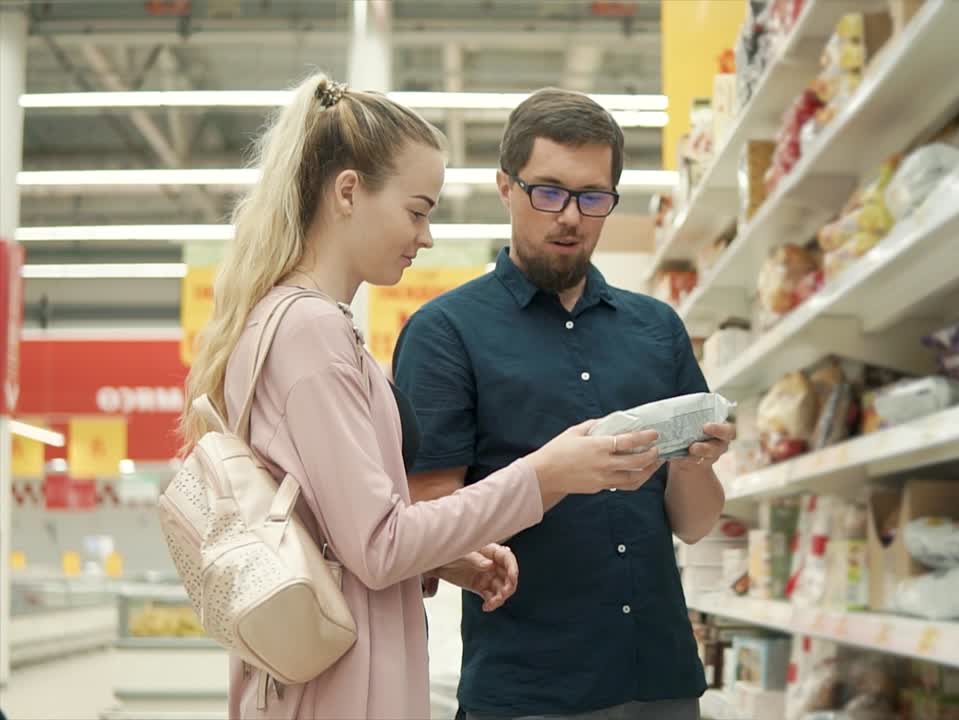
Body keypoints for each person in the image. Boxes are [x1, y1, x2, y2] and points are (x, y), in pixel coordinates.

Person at [178, 75, 663, 720]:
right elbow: (380, 545)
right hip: (344, 689)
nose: (427, 235)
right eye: (417, 210)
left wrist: (447, 557)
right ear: (348, 192)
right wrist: (545, 476)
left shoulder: (294, 322)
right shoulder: (310, 331)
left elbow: (344, 532)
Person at [393, 88, 737, 720]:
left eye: (592, 197)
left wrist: (693, 466)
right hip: (531, 691)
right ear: (506, 186)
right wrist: (550, 481)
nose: (570, 216)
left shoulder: (657, 329)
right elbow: (426, 522)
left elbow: (694, 523)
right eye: (547, 192)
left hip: (660, 678)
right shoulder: (445, 333)